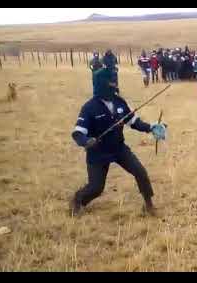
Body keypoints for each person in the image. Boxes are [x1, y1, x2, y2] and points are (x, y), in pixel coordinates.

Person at [70, 68, 166, 217]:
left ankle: (148, 205)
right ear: (101, 84)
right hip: (98, 153)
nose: (114, 85)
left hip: (119, 149)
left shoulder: (119, 102)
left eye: (115, 81)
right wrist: (86, 141)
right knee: (96, 188)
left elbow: (133, 122)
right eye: (111, 82)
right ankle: (77, 200)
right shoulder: (89, 107)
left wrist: (151, 128)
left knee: (140, 172)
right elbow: (78, 133)